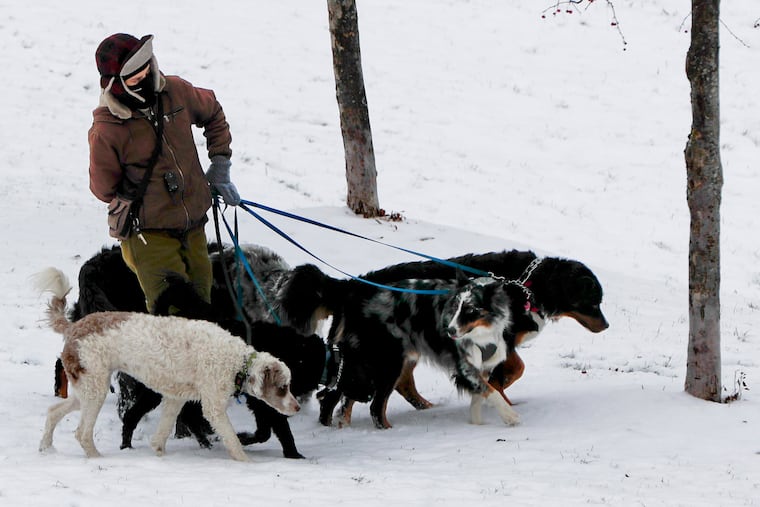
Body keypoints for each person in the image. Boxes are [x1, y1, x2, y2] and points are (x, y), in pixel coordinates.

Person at [88, 33, 240, 313]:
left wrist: (220, 166)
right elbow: (103, 189)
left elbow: (213, 112)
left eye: (149, 67)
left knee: (203, 314)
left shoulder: (176, 91)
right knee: (173, 321)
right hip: (149, 236)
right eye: (136, 77)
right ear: (115, 85)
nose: (147, 77)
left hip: (194, 225)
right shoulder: (107, 130)